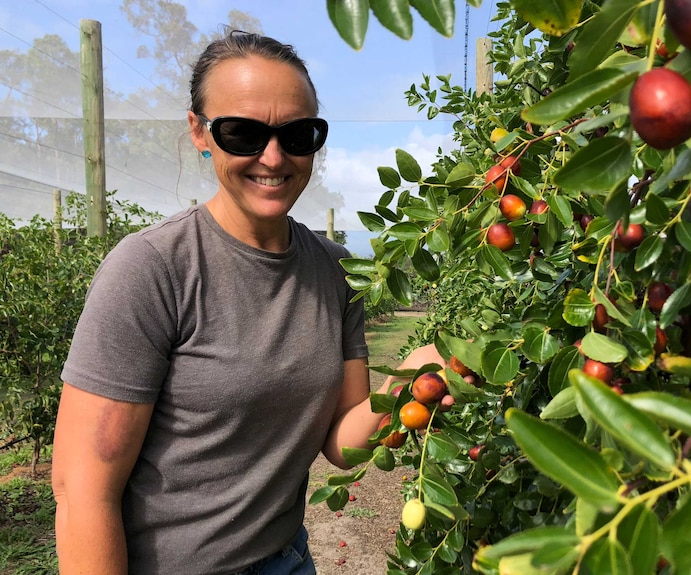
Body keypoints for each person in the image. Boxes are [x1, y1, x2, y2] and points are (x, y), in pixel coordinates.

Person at [51, 30, 443, 575]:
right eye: (242, 133)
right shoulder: (152, 269)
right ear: (199, 132)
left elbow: (341, 443)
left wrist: (411, 377)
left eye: (298, 134)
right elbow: (82, 491)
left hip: (286, 561)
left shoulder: (338, 273)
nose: (274, 157)